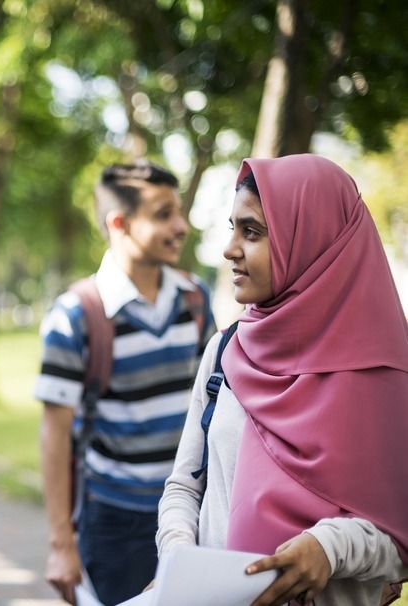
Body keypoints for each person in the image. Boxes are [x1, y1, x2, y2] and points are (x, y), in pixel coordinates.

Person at [156, 154, 408, 605]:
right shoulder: (224, 352)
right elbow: (184, 487)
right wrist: (178, 562)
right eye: (232, 228)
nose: (230, 248)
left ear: (312, 241)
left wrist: (329, 548)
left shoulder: (383, 380)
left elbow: (399, 532)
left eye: (251, 232)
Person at [35, 161, 215, 605]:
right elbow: (54, 435)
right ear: (120, 223)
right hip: (116, 523)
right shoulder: (75, 315)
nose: (181, 225)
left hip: (193, 514)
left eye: (179, 212)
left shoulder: (195, 300)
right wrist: (62, 545)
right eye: (163, 214)